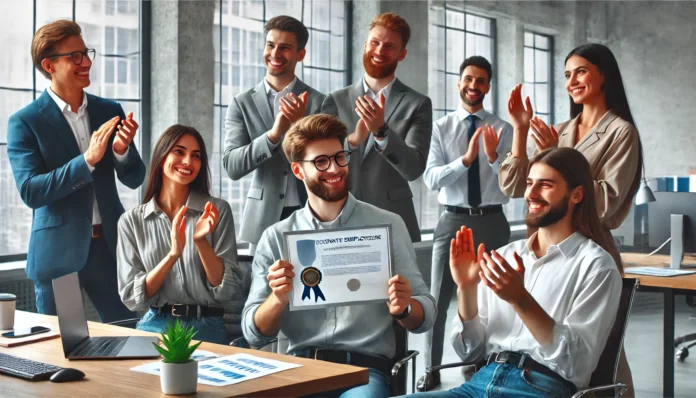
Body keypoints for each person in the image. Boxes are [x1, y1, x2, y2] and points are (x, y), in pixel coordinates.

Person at [242, 114, 436, 397]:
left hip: (364, 372)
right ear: (298, 170)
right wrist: (277, 298)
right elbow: (254, 333)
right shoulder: (275, 238)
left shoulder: (389, 225)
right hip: (300, 369)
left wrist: (405, 307)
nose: (335, 168)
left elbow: (426, 314)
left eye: (339, 157)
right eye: (321, 161)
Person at [408, 147, 622, 397]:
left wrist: (520, 299)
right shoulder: (505, 256)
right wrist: (466, 289)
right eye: (529, 183)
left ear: (576, 194)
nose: (530, 193)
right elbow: (469, 352)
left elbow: (575, 364)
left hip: (541, 388)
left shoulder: (597, 267)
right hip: (478, 383)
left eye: (545, 185)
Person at [500, 43, 640, 394]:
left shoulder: (622, 132)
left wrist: (567, 157)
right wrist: (519, 131)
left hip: (590, 247)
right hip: (548, 249)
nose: (571, 81)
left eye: (580, 71)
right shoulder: (560, 130)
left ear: (604, 74)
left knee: (598, 353)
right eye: (567, 75)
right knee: (541, 338)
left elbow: (605, 202)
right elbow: (515, 186)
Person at [6, 20, 145, 322]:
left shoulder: (110, 111)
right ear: (49, 65)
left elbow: (135, 178)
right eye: (75, 56)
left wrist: (120, 151)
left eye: (86, 53)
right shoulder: (25, 121)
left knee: (128, 335)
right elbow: (31, 190)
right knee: (64, 348)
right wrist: (88, 160)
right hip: (59, 255)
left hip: (109, 248)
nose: (87, 62)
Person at [418, 56, 513, 392]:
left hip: (493, 222)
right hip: (453, 222)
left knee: (494, 297)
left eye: (481, 80)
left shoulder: (503, 129)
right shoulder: (441, 128)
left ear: (488, 86)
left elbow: (513, 184)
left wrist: (491, 157)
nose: (474, 86)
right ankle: (431, 367)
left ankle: (482, 364)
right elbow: (431, 179)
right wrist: (465, 160)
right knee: (439, 297)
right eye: (468, 79)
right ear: (459, 82)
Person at [117, 125, 244, 345]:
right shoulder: (131, 221)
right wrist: (173, 254)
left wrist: (200, 241)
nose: (188, 162)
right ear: (161, 155)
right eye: (179, 151)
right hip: (155, 325)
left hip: (207, 327)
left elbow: (226, 290)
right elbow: (131, 296)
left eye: (196, 156)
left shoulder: (217, 210)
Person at [321, 12, 432, 242]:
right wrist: (352, 142)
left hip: (394, 219)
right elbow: (320, 161)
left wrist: (381, 132)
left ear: (402, 54)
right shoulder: (336, 100)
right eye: (375, 42)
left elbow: (413, 169)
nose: (380, 51)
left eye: (389, 46)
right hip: (341, 217)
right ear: (365, 45)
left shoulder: (418, 104)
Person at [223, 15, 325, 255]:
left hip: (311, 215)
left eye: (285, 47)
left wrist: (298, 126)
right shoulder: (241, 103)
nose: (275, 53)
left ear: (301, 54)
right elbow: (232, 166)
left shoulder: (320, 102)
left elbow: (327, 164)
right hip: (262, 220)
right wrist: (274, 135)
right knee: (263, 292)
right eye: (270, 45)